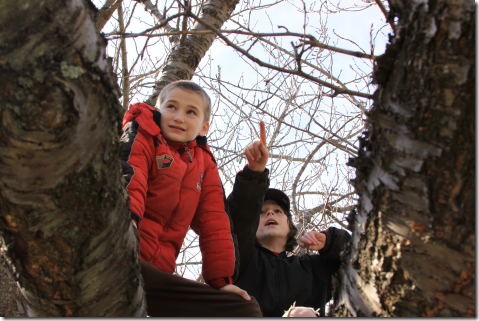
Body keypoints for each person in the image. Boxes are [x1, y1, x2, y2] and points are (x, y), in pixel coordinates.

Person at [120, 80, 261, 317]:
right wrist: (124, 225)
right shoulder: (142, 132)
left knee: (244, 310)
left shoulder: (204, 163)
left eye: (190, 112)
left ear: (204, 127)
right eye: (172, 107)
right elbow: (131, 177)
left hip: (156, 277)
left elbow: (215, 223)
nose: (178, 117)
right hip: (122, 251)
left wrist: (221, 281)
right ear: (158, 109)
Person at [227, 121, 351, 317]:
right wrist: (254, 172)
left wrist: (329, 242)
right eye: (262, 211)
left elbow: (360, 258)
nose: (270, 213)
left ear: (290, 226)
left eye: (278, 211)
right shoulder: (243, 258)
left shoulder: (312, 269)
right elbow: (240, 215)